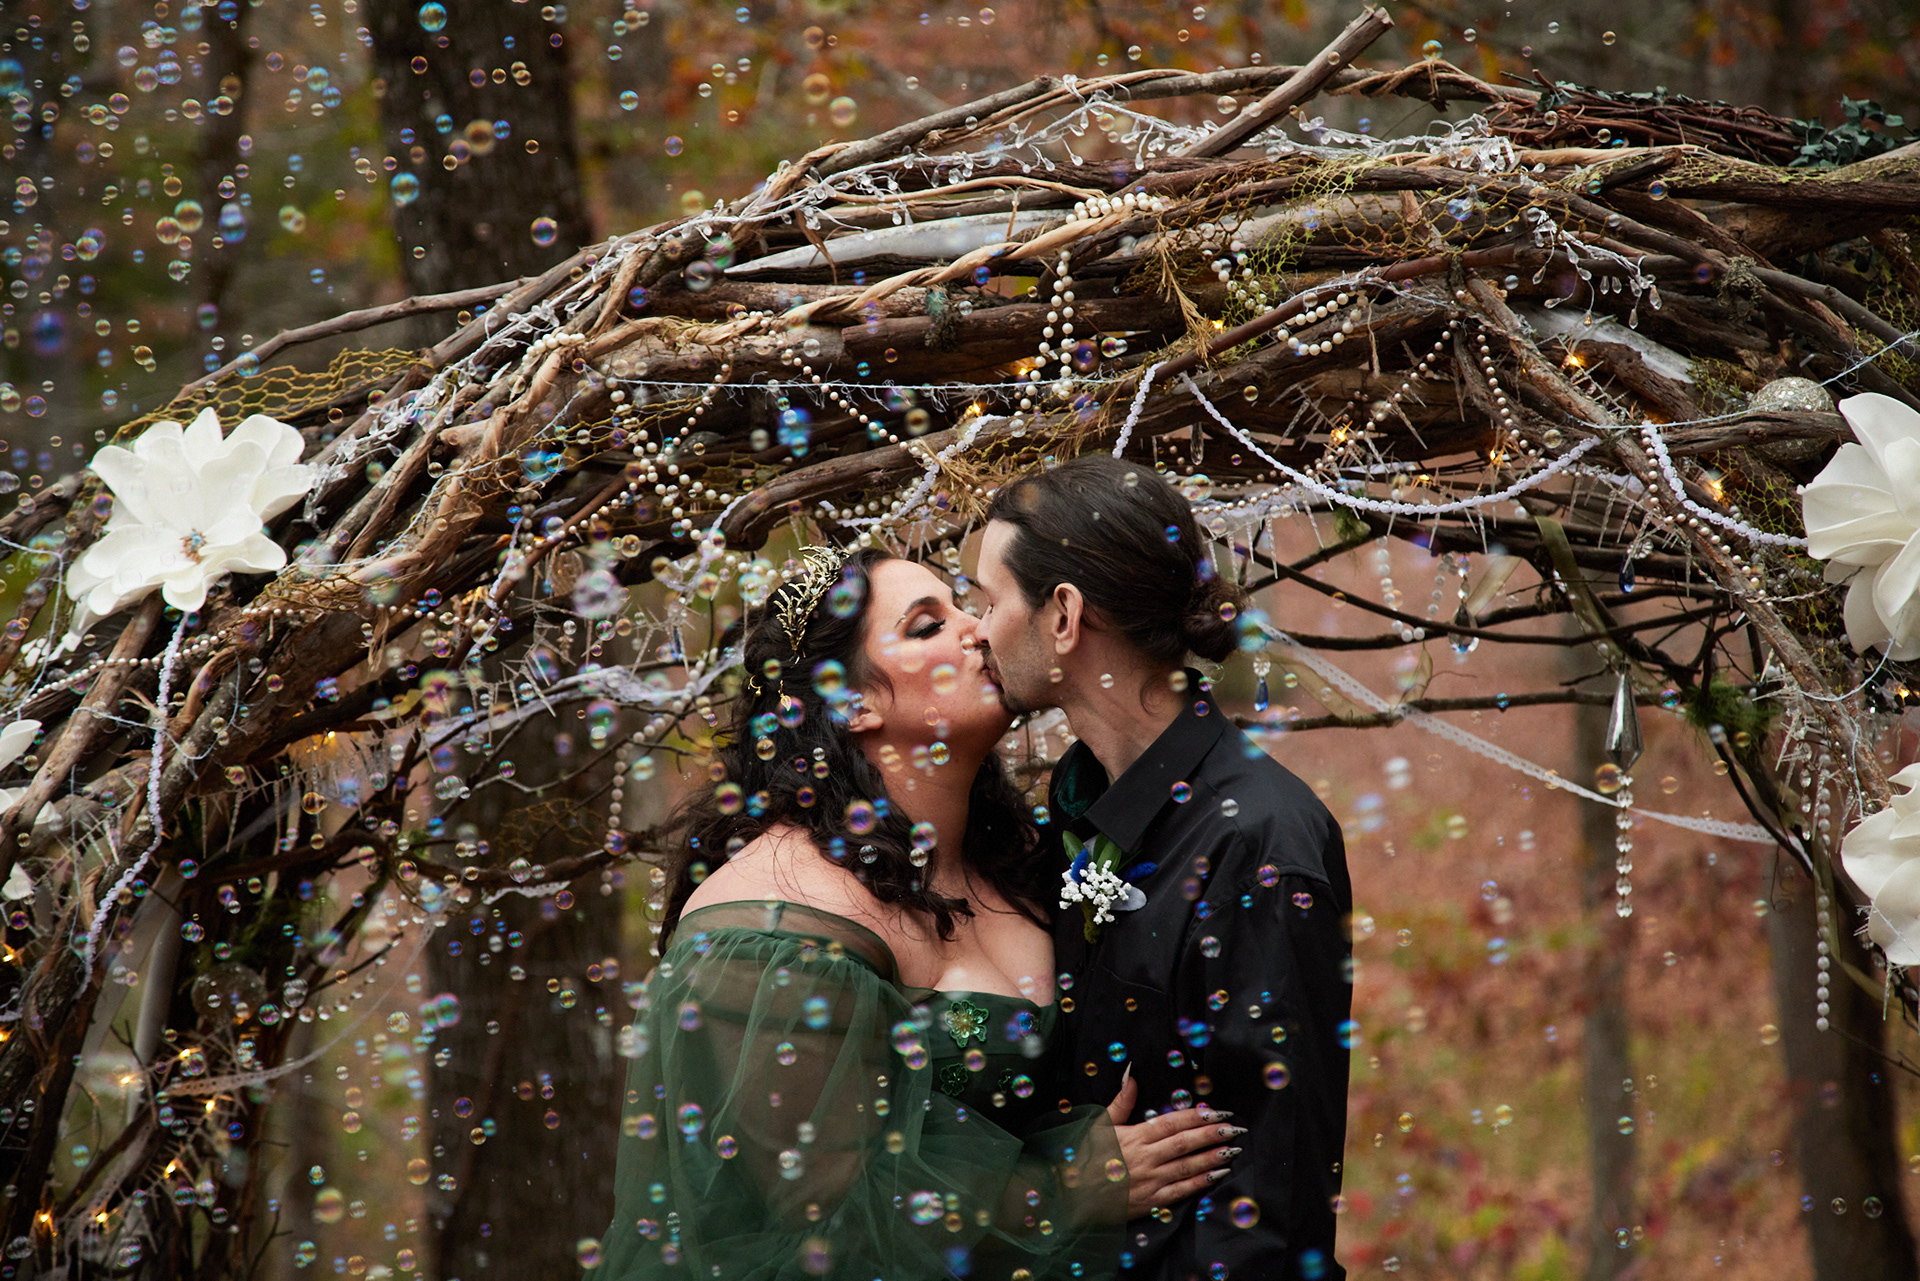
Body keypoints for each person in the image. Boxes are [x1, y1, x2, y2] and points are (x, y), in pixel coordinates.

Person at [601, 546, 1242, 1281]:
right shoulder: (769, 930)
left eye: (968, 605)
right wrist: (1063, 1187)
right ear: (851, 702)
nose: (978, 629)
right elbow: (821, 1211)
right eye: (928, 624)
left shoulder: (1026, 859)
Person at [974, 454, 1353, 1281]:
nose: (977, 629)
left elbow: (1272, 1199)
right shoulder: (1074, 812)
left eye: (988, 600)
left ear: (1063, 615)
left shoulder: (1258, 838)